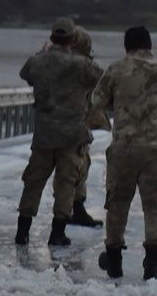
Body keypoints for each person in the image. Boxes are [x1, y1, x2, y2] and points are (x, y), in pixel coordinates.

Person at [90, 25, 157, 280]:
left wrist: (121, 104)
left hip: (123, 149)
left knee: (117, 203)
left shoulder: (115, 70)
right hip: (154, 150)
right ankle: (152, 266)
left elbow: (96, 101)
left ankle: (114, 261)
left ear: (127, 46)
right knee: (154, 206)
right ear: (149, 45)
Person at [15, 17, 103, 246]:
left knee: (33, 183)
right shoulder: (82, 65)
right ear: (73, 40)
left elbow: (25, 73)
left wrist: (41, 53)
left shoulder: (38, 62)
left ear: (52, 37)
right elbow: (102, 80)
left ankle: (22, 232)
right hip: (72, 137)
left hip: (44, 135)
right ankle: (57, 234)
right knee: (66, 185)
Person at [67, 26, 108, 228]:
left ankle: (69, 210)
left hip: (55, 126)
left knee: (69, 168)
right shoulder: (84, 67)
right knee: (78, 166)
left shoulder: (56, 62)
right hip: (75, 126)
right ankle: (73, 210)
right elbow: (103, 80)